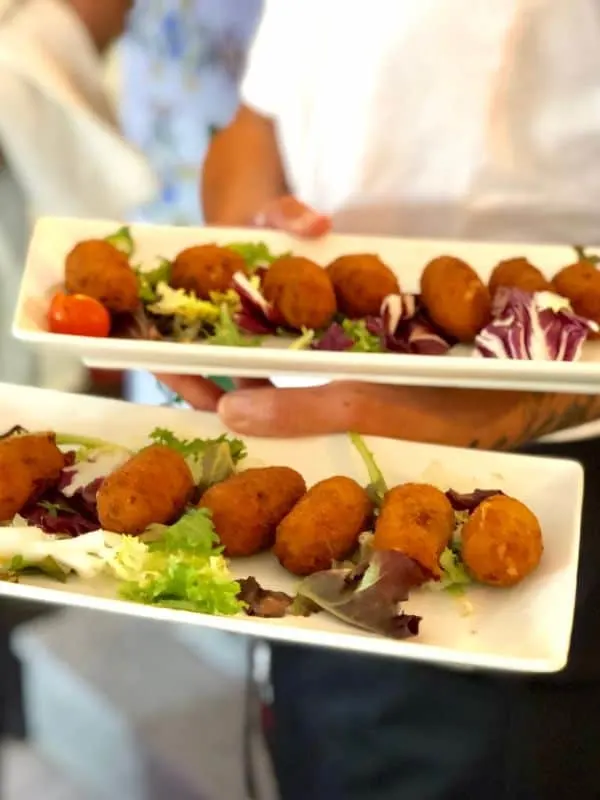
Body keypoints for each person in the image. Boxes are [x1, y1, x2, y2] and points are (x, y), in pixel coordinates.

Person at [160, 1, 600, 798]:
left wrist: (505, 410)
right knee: (323, 744)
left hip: (559, 480)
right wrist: (242, 280)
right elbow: (256, 123)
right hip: (312, 454)